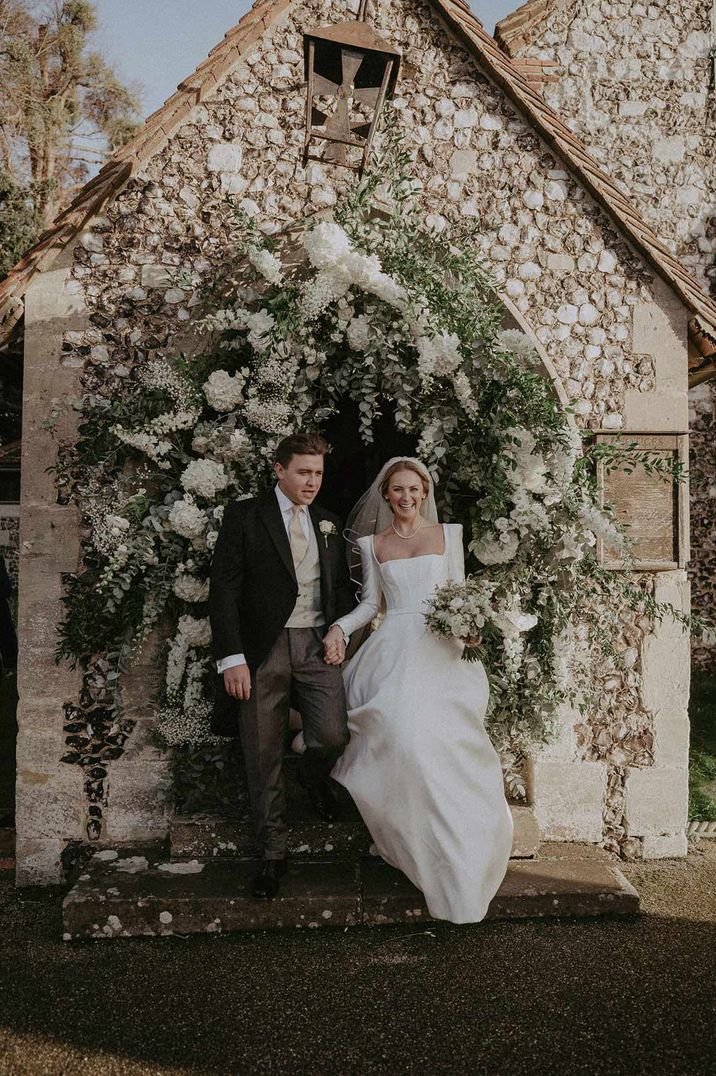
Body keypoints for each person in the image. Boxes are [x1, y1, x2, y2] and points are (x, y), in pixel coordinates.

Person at [330, 457, 514, 924]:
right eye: (397, 490)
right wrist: (338, 627)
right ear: (386, 494)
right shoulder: (373, 544)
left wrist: (471, 624)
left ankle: (465, 846)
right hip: (394, 649)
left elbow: (459, 591)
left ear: (425, 490)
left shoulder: (449, 535)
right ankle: (411, 837)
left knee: (448, 744)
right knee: (402, 737)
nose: (406, 497)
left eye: (414, 488)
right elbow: (371, 603)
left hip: (442, 649)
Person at [208, 430, 355, 899]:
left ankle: (314, 777)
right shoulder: (245, 516)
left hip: (314, 643)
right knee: (261, 750)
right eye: (304, 472)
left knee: (332, 733)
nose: (312, 482)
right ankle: (272, 854)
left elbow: (341, 592)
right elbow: (225, 590)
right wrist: (231, 658)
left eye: (318, 474)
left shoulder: (329, 524)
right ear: (279, 470)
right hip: (261, 647)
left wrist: (339, 630)